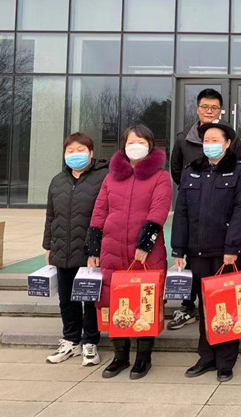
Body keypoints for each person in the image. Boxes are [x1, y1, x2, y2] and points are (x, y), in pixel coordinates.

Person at [171, 120, 241, 383]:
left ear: (227, 144)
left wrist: (232, 248)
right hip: (197, 251)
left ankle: (226, 360)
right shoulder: (192, 171)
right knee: (205, 305)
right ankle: (206, 356)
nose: (210, 145)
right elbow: (181, 212)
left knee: (226, 305)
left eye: (215, 140)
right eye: (206, 140)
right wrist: (178, 248)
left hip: (225, 253)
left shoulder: (240, 172)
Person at [86, 124, 172, 380]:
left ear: (150, 146)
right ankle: (120, 356)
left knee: (145, 300)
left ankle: (143, 357)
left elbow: (159, 211)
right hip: (112, 250)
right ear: (123, 145)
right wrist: (93, 248)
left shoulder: (160, 177)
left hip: (145, 253)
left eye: (141, 142)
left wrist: (145, 245)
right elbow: (99, 211)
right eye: (131, 142)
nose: (136, 147)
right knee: (116, 302)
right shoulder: (111, 177)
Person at [169, 88, 241, 330]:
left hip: (222, 229)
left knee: (223, 294)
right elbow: (176, 171)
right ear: (197, 109)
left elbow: (240, 183)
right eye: (205, 107)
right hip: (195, 215)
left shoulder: (232, 140)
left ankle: (225, 343)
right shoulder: (184, 139)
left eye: (214, 108)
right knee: (194, 276)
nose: (209, 111)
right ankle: (188, 308)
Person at [42, 132, 109, 366]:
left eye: (80, 150)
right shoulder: (57, 181)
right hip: (62, 249)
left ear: (91, 153)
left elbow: (106, 215)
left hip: (90, 251)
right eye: (70, 151)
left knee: (89, 299)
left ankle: (90, 341)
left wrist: (96, 249)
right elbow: (51, 216)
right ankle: (70, 340)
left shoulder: (103, 178)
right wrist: (48, 245)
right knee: (66, 299)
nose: (75, 155)